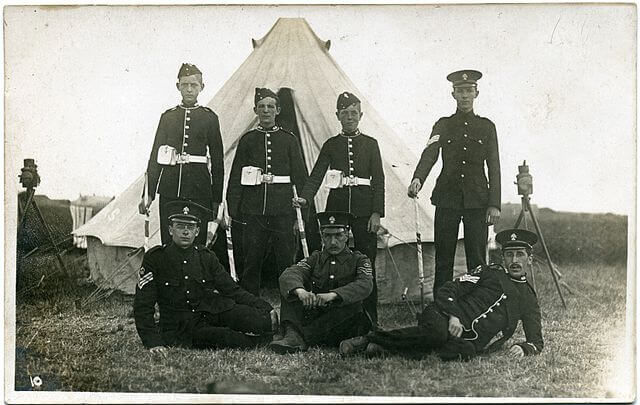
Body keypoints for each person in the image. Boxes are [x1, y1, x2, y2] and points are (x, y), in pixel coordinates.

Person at [339, 228, 543, 361]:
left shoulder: (529, 298)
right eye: (510, 254)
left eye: (520, 255)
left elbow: (536, 340)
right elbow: (449, 289)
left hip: (469, 340)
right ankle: (368, 339)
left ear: (529, 260)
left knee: (464, 352)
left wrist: (524, 348)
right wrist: (454, 315)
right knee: (438, 334)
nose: (514, 260)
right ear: (504, 258)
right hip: (443, 314)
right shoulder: (489, 273)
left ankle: (383, 349)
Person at [133, 201, 277, 355]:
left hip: (211, 312)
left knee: (258, 320)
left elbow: (232, 290)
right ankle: (268, 343)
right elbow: (143, 305)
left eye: (191, 227)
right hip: (181, 327)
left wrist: (265, 307)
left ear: (197, 231)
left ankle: (275, 331)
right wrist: (153, 342)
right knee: (228, 338)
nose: (186, 232)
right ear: (170, 230)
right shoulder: (156, 258)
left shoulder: (206, 256)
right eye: (180, 226)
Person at [293, 91, 385, 325]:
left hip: (365, 211)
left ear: (361, 115)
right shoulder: (331, 145)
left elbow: (379, 180)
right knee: (337, 260)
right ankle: (338, 314)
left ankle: (369, 317)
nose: (350, 117)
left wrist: (377, 213)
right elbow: (316, 175)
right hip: (338, 210)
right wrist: (305, 198)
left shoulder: (371, 144)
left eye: (354, 113)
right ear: (337, 116)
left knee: (366, 263)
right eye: (345, 113)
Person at [407, 69, 501, 294]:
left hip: (477, 201)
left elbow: (494, 166)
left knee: (477, 259)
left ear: (476, 93)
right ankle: (442, 307)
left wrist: (494, 204)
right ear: (453, 94)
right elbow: (429, 154)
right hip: (447, 199)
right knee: (444, 257)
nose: (465, 96)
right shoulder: (443, 124)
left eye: (469, 91)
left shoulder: (487, 127)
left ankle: (477, 303)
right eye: (460, 91)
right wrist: (417, 178)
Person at [226, 88, 308, 296]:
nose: (266, 111)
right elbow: (236, 176)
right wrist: (233, 208)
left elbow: (301, 176)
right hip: (253, 210)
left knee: (286, 260)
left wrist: (303, 205)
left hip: (282, 210)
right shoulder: (248, 140)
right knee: (251, 260)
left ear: (278, 110)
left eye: (270, 107)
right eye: (261, 107)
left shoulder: (289, 140)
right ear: (255, 110)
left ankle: (291, 309)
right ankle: (251, 310)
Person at [139, 63, 224, 246]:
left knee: (197, 243)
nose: (189, 89)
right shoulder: (168, 117)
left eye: (194, 85)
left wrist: (216, 198)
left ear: (202, 87)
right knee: (169, 241)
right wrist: (149, 194)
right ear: (178, 86)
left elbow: (218, 161)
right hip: (170, 188)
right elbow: (155, 157)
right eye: (185, 85)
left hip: (200, 190)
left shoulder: (210, 118)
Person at [269, 211, 374, 354]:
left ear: (347, 235)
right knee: (290, 290)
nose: (333, 242)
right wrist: (301, 292)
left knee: (354, 310)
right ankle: (294, 336)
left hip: (341, 321)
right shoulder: (315, 258)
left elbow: (365, 285)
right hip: (318, 315)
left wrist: (333, 295)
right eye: (327, 236)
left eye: (338, 235)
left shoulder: (359, 260)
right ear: (322, 236)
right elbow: (289, 274)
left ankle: (296, 336)